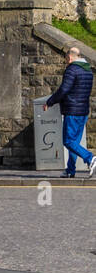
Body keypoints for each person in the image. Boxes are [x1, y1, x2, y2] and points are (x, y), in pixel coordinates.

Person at [45, 45, 95, 178]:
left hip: (72, 111)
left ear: (70, 57)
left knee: (68, 141)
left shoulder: (72, 70)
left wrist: (50, 102)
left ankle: (90, 158)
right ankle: (70, 170)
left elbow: (64, 89)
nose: (66, 61)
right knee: (74, 143)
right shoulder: (88, 70)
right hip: (83, 111)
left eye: (66, 58)